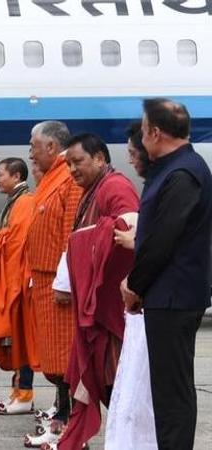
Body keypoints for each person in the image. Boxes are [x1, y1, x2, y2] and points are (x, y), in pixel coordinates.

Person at [121, 98, 212, 449]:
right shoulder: (174, 168)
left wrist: (134, 284)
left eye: (144, 132)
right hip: (168, 294)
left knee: (172, 393)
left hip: (173, 296)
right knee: (167, 389)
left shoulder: (183, 173)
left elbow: (163, 238)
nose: (141, 140)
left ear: (156, 133)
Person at [52, 134, 139, 449]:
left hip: (109, 309)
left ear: (101, 158)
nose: (72, 170)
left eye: (78, 162)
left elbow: (129, 231)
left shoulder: (115, 187)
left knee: (113, 381)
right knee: (100, 380)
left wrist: (88, 242)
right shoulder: (92, 191)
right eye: (69, 164)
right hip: (95, 306)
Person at [23, 121, 84, 448]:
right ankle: (61, 423)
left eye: (34, 145)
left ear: (50, 147)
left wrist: (64, 281)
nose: (30, 151)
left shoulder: (67, 178)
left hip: (59, 285)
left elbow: (70, 237)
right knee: (54, 361)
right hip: (46, 281)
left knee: (65, 361)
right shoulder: (50, 178)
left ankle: (69, 428)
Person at [104, 121, 158, 450]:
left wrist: (134, 244)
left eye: (133, 153)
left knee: (154, 384)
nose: (131, 160)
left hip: (161, 301)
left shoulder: (171, 182)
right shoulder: (155, 184)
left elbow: (169, 241)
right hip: (148, 300)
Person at [0, 158, 39, 415]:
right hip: (11, 279)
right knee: (13, 338)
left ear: (16, 177)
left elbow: (18, 244)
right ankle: (17, 392)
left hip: (17, 281)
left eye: (1, 174)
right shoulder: (16, 200)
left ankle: (25, 393)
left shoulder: (25, 202)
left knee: (21, 338)